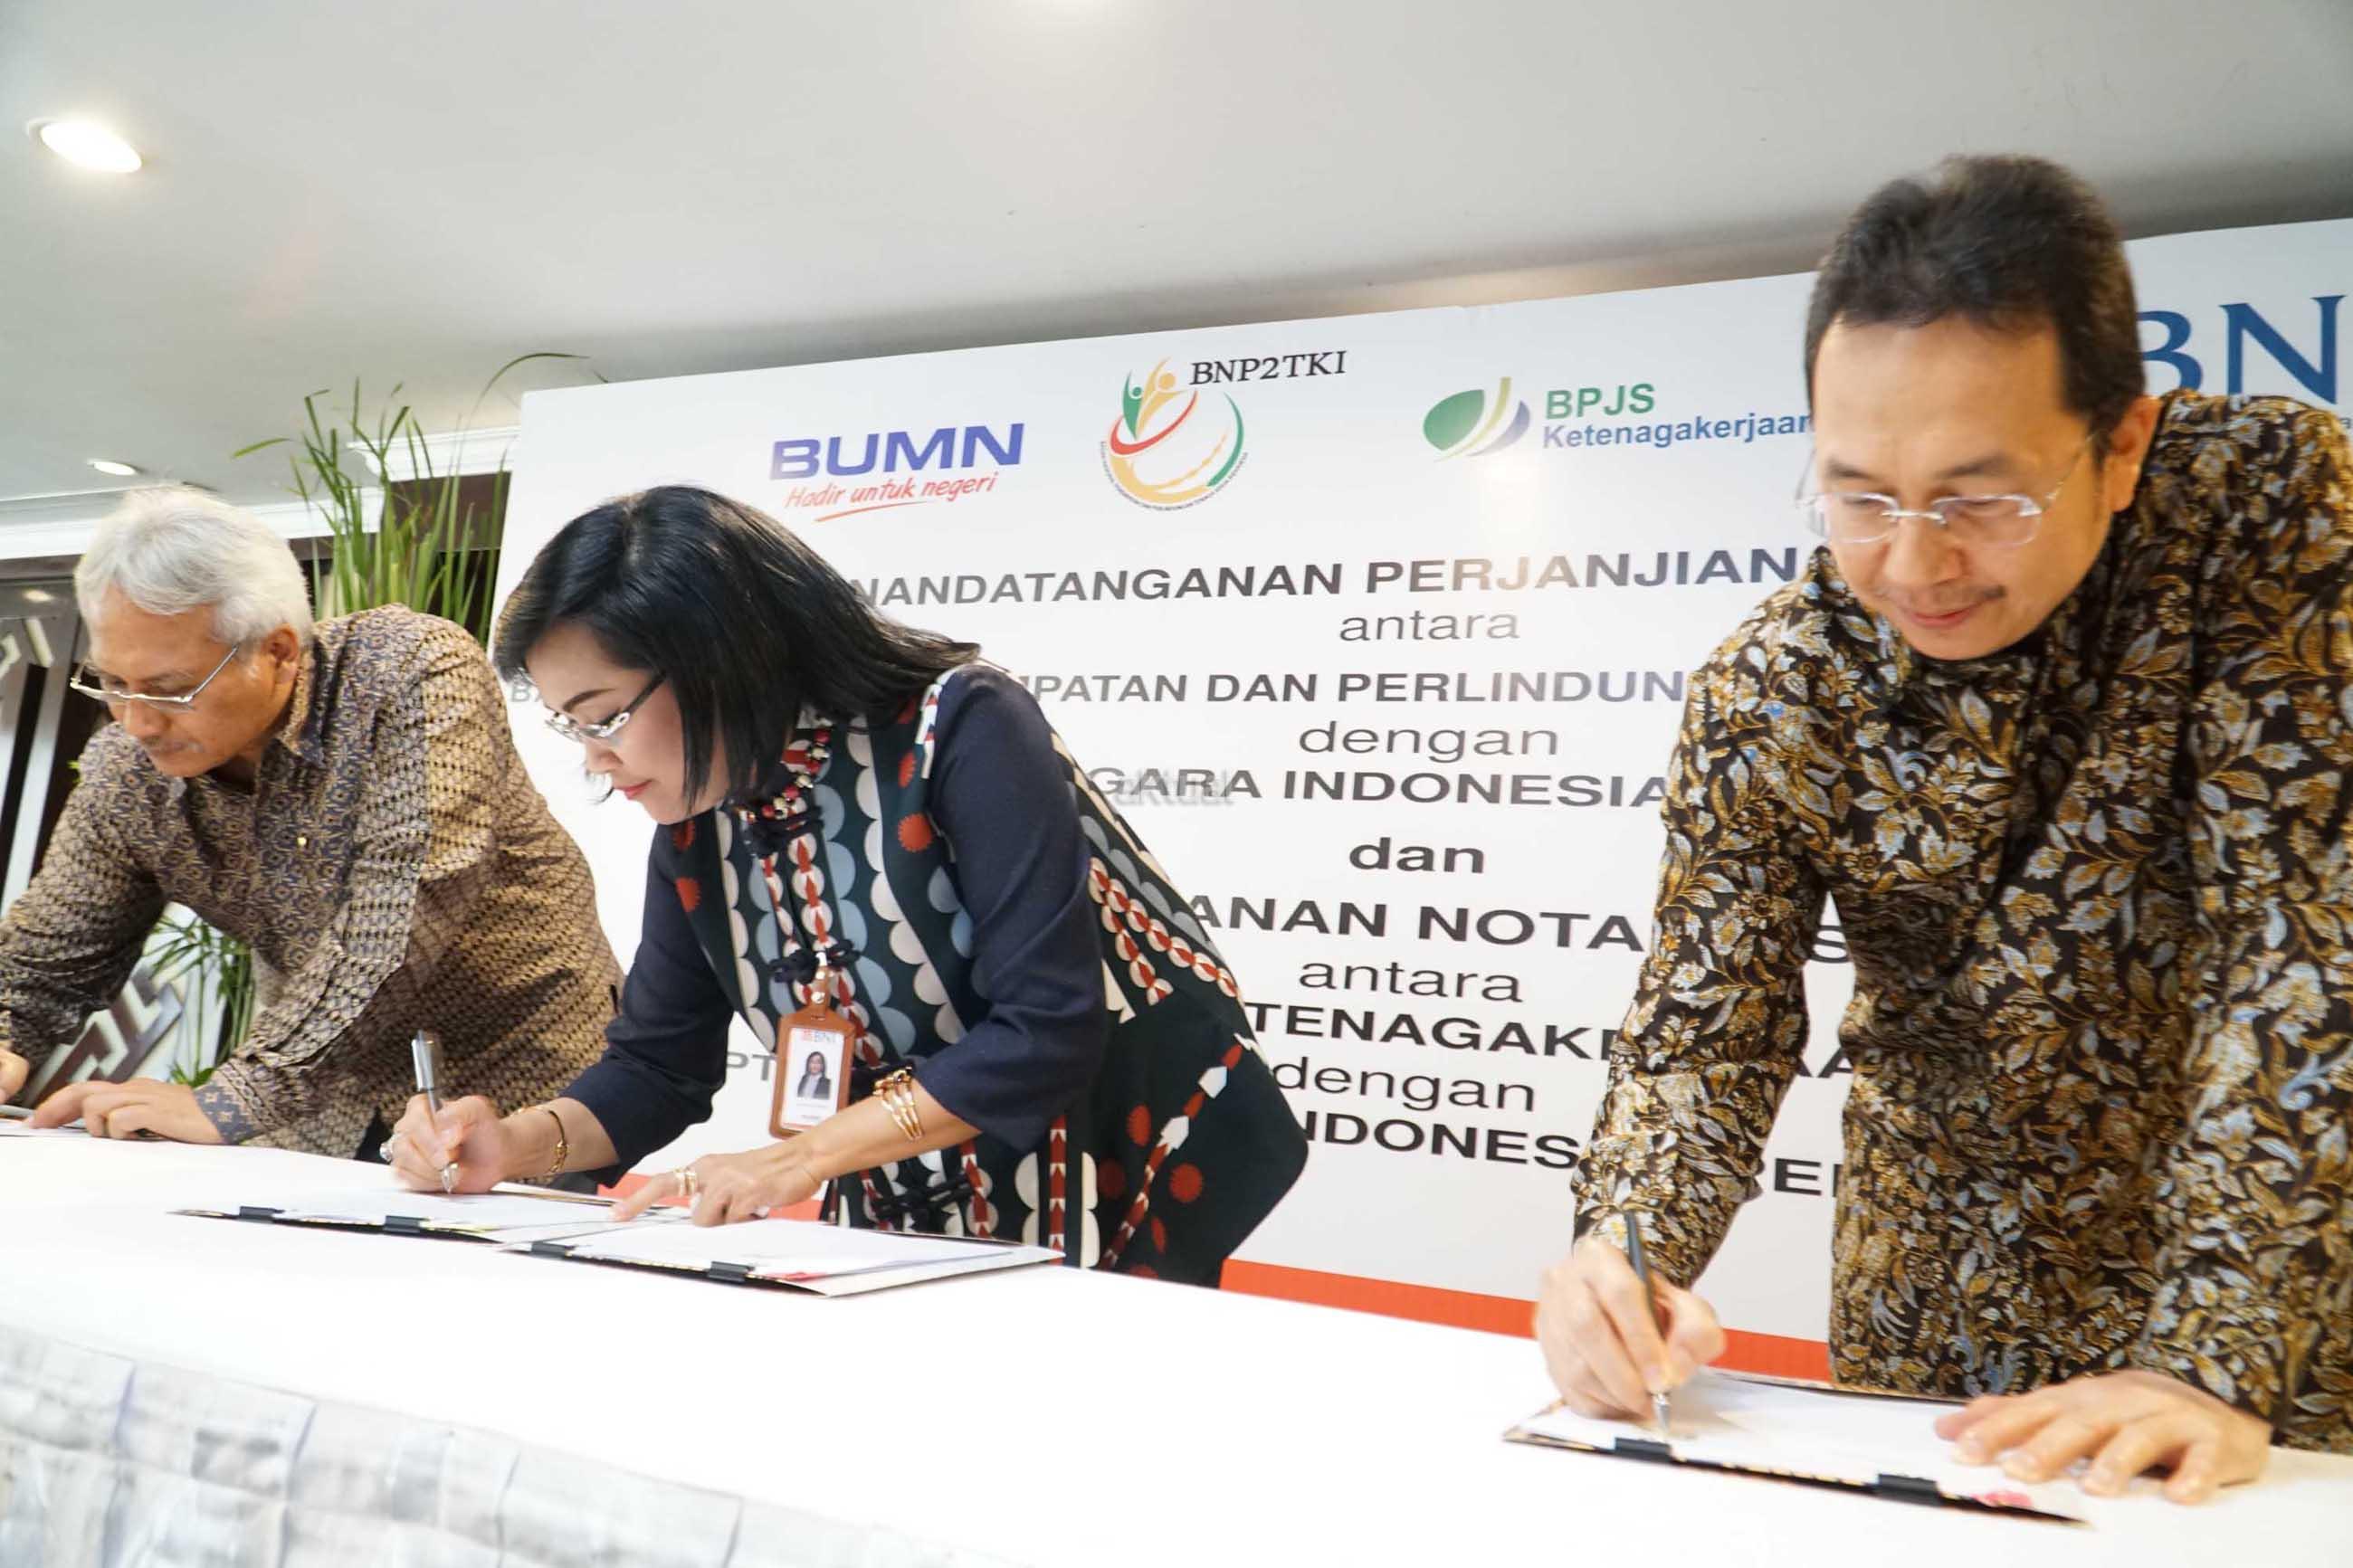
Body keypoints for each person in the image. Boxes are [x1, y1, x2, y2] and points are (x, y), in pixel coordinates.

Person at [1533, 155, 2352, 1499]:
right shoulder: (1780, 682)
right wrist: (1622, 1252)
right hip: (1938, 1297)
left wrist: (2208, 1355)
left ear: (2123, 445)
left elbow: (2303, 945)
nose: (1914, 565)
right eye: (1860, 496)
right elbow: (1708, 1028)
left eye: (1981, 499)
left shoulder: (2260, 513)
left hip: (2263, 1304)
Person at [390, 485, 1306, 1284]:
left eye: (605, 718)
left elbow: (1045, 1025)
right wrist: (510, 1144)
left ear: (715, 661)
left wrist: (798, 1160)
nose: (595, 758)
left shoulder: (962, 726)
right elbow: (657, 1067)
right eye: (570, 726)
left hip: (1118, 1156)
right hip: (910, 1194)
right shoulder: (696, 823)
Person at [0, 487, 621, 1156]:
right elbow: (50, 953)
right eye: (114, 684)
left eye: (170, 688)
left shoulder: (405, 671)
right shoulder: (127, 772)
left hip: (517, 1076)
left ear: (278, 652)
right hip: (325, 1099)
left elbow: (400, 917)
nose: (138, 722)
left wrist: (232, 1098)